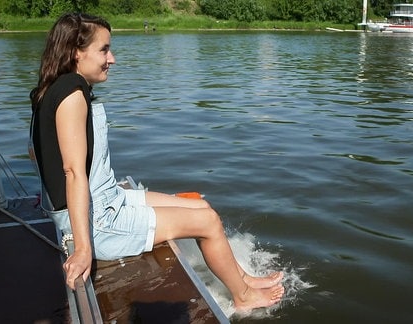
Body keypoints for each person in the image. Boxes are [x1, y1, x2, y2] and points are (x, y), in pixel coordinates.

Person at [30, 13, 284, 313]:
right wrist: (84, 249)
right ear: (77, 52)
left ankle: (244, 280)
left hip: (108, 199)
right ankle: (243, 298)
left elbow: (37, 155)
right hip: (97, 221)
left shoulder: (50, 89)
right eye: (104, 49)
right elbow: (72, 171)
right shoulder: (72, 92)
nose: (111, 59)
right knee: (208, 222)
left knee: (201, 205)